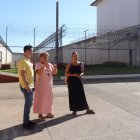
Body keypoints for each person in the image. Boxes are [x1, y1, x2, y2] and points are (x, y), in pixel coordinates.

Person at [65, 51, 95, 115]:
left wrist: (80, 74)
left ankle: (87, 109)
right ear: (72, 57)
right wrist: (73, 75)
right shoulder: (69, 64)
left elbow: (82, 72)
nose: (75, 57)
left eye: (76, 55)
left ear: (77, 56)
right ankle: (74, 110)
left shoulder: (81, 63)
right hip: (71, 82)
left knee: (82, 95)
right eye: (74, 56)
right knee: (73, 96)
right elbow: (66, 74)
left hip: (79, 81)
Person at [33, 52, 58, 120]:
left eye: (46, 57)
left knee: (49, 100)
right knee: (40, 100)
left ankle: (49, 113)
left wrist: (55, 68)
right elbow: (38, 72)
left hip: (49, 86)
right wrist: (44, 65)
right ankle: (40, 114)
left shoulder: (50, 65)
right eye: (43, 57)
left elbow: (54, 72)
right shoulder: (38, 64)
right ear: (40, 57)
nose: (45, 58)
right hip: (41, 86)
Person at [18, 45, 36, 130]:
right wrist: (27, 86)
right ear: (26, 51)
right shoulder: (22, 61)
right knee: (28, 104)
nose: (32, 52)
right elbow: (23, 74)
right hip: (26, 87)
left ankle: (27, 120)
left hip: (30, 86)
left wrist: (32, 85)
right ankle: (25, 123)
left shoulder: (28, 61)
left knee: (29, 104)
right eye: (31, 51)